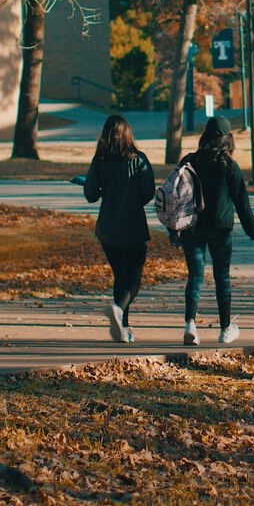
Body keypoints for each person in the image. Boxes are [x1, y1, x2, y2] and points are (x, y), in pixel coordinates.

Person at [174, 115, 254, 345]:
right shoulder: (229, 166)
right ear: (228, 140)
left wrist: (172, 231)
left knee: (195, 275)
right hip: (220, 228)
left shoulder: (189, 161)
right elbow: (242, 204)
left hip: (190, 227)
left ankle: (190, 325)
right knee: (221, 277)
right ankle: (225, 329)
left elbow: (175, 196)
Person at [84, 115, 155, 344]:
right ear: (128, 134)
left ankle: (123, 329)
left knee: (120, 277)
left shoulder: (100, 160)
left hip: (107, 227)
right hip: (132, 225)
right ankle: (118, 310)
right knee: (133, 280)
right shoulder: (139, 159)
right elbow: (148, 192)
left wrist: (106, 187)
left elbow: (90, 195)